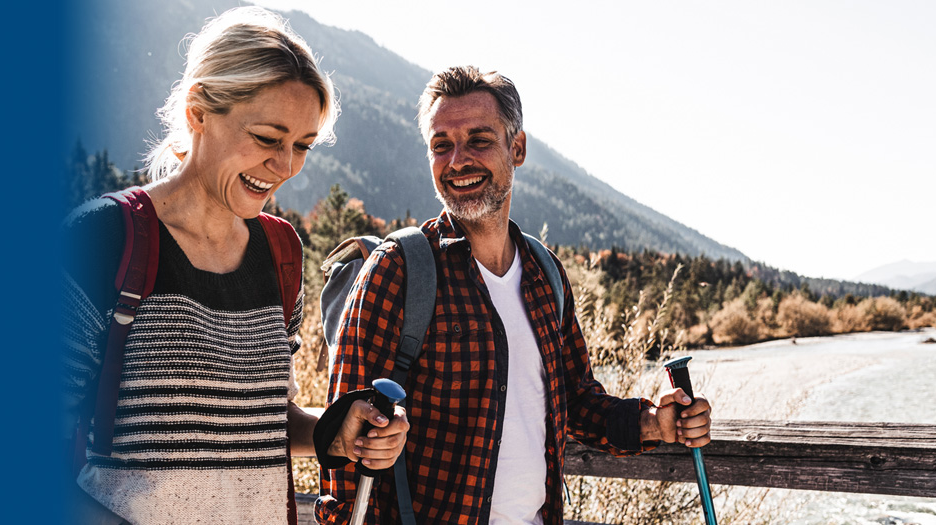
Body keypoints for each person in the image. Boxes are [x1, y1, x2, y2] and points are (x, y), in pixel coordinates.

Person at [316, 66, 713, 525]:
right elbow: (344, 442)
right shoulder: (398, 269)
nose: (457, 160)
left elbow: (578, 402)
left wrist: (655, 423)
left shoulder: (545, 275)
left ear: (517, 148)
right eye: (441, 145)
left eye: (478, 140)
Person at [63, 8, 408, 524]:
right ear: (199, 111)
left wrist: (332, 432)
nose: (286, 165)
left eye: (303, 146)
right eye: (269, 138)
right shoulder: (104, 238)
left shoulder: (281, 254)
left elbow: (259, 422)